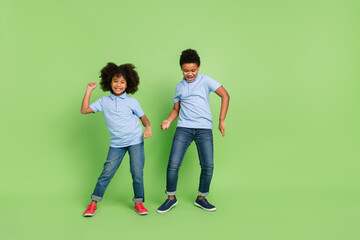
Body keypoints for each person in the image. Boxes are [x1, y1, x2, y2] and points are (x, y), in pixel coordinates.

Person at [157, 49, 230, 213]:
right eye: (186, 70)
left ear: (199, 67)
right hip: (184, 128)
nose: (190, 74)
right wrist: (168, 120)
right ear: (181, 69)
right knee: (173, 164)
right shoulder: (179, 87)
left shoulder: (205, 80)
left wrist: (221, 120)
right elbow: (176, 109)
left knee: (208, 166)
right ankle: (171, 198)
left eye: (193, 70)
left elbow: (225, 95)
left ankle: (201, 198)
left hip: (204, 129)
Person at [81, 63, 152, 216]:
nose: (118, 85)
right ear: (109, 82)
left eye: (122, 82)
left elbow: (144, 119)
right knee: (107, 172)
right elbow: (84, 110)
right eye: (115, 81)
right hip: (117, 144)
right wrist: (88, 90)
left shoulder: (132, 102)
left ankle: (138, 202)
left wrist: (148, 128)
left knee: (137, 172)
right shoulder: (103, 101)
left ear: (128, 84)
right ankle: (93, 203)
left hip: (135, 141)